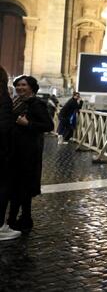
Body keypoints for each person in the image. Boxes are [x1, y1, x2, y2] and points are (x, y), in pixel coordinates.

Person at [7, 75, 53, 234]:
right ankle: (25, 219)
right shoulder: (17, 101)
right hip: (15, 150)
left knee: (20, 187)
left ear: (31, 87)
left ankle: (13, 220)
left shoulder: (37, 104)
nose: (20, 87)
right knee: (19, 187)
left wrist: (28, 124)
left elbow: (48, 125)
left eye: (23, 85)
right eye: (18, 85)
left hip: (27, 152)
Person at [0, 66, 21, 241]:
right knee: (2, 188)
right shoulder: (3, 97)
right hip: (2, 152)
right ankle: (0, 227)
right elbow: (4, 127)